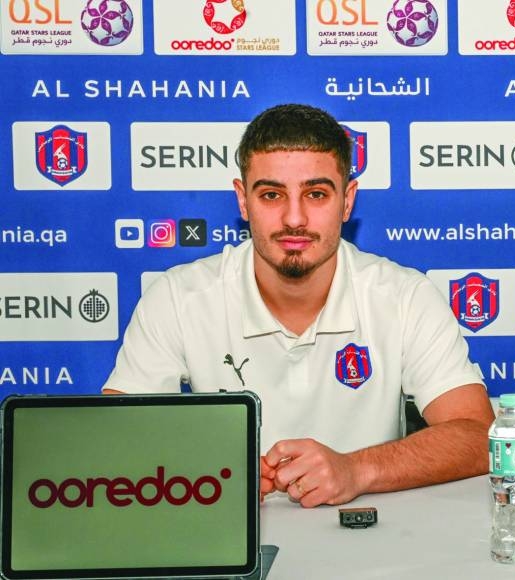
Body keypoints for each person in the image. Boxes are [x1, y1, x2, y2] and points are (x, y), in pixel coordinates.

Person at [103, 104, 495, 506]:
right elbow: (109, 439)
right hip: (225, 535)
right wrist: (204, 467)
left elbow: (478, 435)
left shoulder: (404, 296)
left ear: (347, 201)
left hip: (374, 544)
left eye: (317, 194)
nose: (294, 218)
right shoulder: (177, 297)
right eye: (272, 194)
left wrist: (356, 469)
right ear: (243, 201)